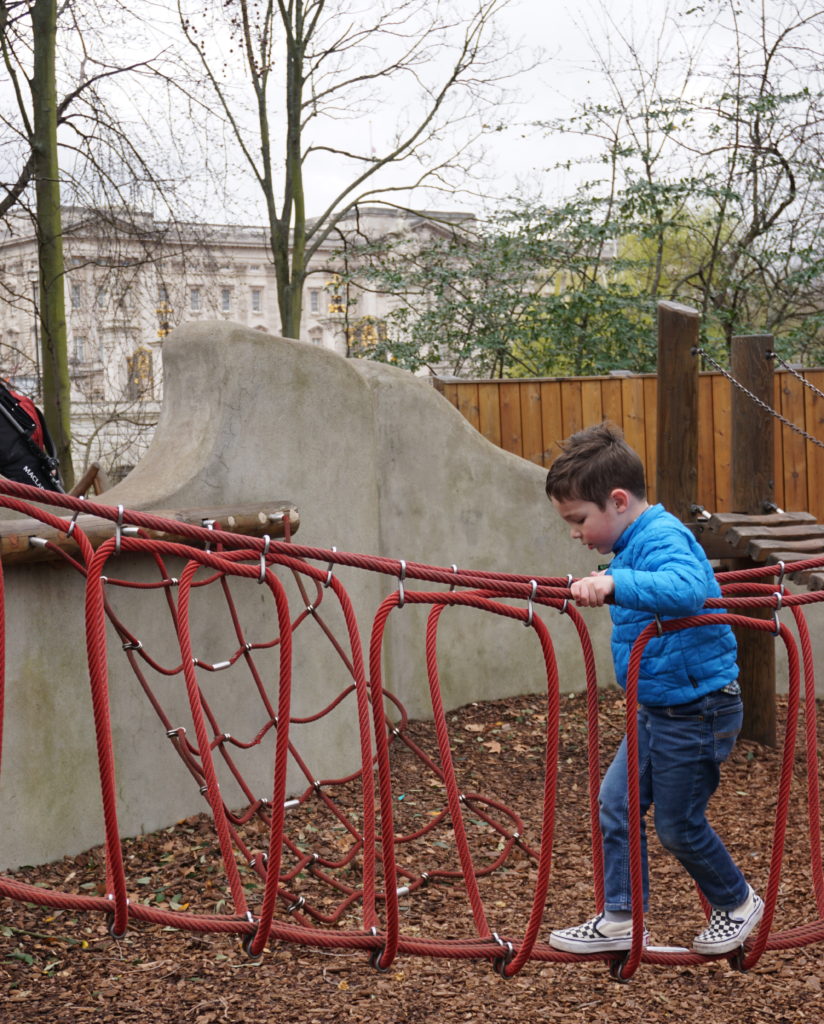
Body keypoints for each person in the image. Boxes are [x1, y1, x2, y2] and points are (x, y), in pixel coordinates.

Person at [544, 421, 762, 956]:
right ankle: (622, 916)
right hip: (657, 705)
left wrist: (616, 583)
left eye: (578, 520)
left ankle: (737, 902)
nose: (575, 532)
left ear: (618, 501)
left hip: (698, 708)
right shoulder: (632, 543)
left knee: (678, 825)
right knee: (614, 805)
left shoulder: (661, 536)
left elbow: (690, 589)